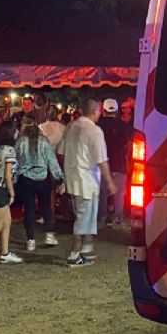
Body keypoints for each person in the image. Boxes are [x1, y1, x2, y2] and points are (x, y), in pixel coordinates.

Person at [58, 98, 116, 267]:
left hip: (73, 178)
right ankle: (74, 254)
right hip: (87, 181)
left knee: (82, 216)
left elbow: (60, 152)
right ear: (96, 111)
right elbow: (102, 159)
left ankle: (85, 250)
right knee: (83, 220)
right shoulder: (95, 131)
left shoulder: (71, 126)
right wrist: (110, 182)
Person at [15, 116, 64, 250]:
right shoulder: (43, 141)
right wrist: (59, 177)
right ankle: (49, 234)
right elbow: (51, 161)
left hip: (26, 178)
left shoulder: (20, 141)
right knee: (46, 207)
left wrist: (14, 178)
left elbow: (16, 161)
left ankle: (30, 239)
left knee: (29, 209)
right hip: (42, 178)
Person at [97, 98, 134, 226]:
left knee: (102, 192)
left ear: (104, 110)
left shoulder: (97, 126)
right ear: (117, 111)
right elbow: (129, 144)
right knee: (119, 194)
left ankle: (102, 216)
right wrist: (129, 161)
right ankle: (118, 217)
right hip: (120, 164)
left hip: (102, 164)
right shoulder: (123, 126)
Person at [0, 120, 21, 264]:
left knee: (6, 221)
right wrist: (12, 192)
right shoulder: (10, 150)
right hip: (2, 188)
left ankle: (5, 252)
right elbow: (8, 175)